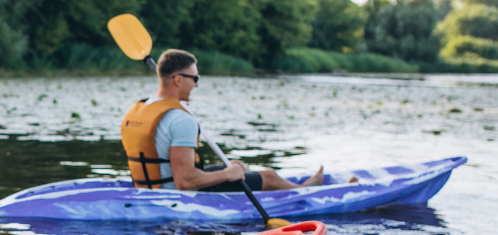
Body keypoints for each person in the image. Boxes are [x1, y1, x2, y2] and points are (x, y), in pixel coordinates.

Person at [120, 49, 353, 192]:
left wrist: (227, 170)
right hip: (175, 195)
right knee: (267, 175)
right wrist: (226, 175)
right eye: (195, 78)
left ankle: (270, 182)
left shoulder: (138, 108)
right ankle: (305, 192)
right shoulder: (181, 119)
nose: (197, 84)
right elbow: (185, 182)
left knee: (234, 166)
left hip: (150, 187)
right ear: (178, 80)